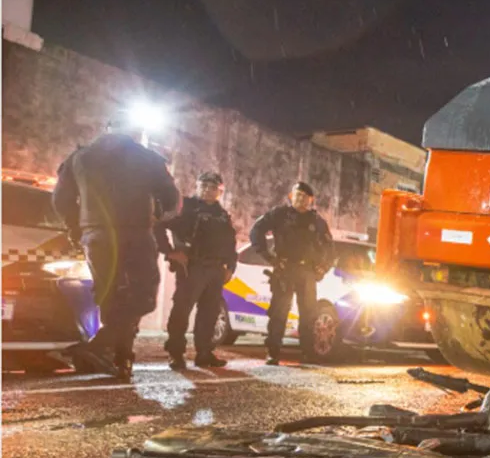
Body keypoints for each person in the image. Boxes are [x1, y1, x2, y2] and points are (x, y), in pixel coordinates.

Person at [51, 118, 182, 380]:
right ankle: (105, 349)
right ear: (136, 132)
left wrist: (76, 229)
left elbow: (60, 200)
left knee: (109, 297)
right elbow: (171, 199)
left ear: (107, 129)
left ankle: (116, 359)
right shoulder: (147, 158)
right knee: (142, 296)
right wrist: (159, 215)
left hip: (96, 235)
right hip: (135, 232)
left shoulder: (78, 158)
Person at [154, 172, 238, 370]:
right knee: (182, 310)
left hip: (215, 269)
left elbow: (230, 243)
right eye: (204, 186)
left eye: (213, 187)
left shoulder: (221, 214)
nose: (208, 190)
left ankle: (204, 353)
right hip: (192, 266)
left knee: (209, 313)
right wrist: (170, 252)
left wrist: (230, 267)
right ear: (197, 187)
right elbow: (158, 225)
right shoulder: (185, 207)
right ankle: (176, 353)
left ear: (220, 191)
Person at [249, 181, 334, 365]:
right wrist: (268, 256)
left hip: (307, 272)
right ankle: (273, 352)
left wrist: (323, 267)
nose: (300, 199)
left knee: (309, 314)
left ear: (311, 200)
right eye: (297, 195)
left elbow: (330, 248)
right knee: (278, 313)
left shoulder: (317, 221)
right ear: (291, 196)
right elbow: (256, 231)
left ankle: (308, 353)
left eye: (305, 196)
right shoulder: (279, 215)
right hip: (284, 270)